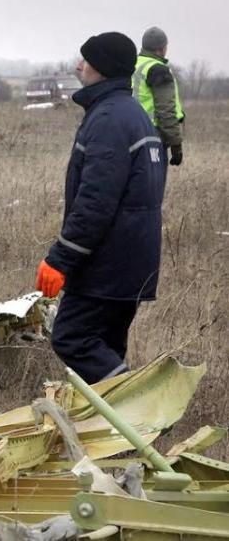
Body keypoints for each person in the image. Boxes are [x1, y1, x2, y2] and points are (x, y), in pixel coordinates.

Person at [35, 32, 165, 383]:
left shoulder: (108, 119)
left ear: (103, 69)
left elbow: (96, 202)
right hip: (133, 261)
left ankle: (138, 406)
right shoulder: (134, 114)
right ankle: (117, 434)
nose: (79, 66)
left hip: (108, 265)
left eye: (86, 60)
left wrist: (60, 259)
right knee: (106, 344)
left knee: (72, 337)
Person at [133, 26, 184, 169]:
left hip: (129, 131)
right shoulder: (158, 69)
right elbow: (166, 109)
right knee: (151, 185)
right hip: (152, 134)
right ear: (162, 48)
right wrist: (176, 144)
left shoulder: (133, 65)